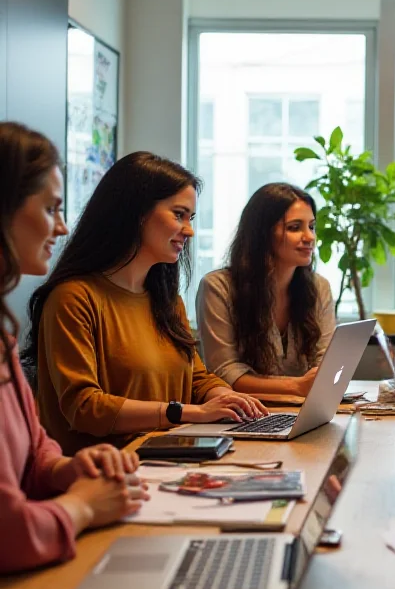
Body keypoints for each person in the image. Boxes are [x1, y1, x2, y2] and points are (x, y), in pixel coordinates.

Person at [23, 152, 264, 456]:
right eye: (179, 215)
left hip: (169, 460)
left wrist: (225, 398)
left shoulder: (166, 300)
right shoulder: (73, 297)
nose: (188, 230)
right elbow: (84, 407)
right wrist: (188, 413)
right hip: (104, 475)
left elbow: (197, 379)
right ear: (136, 214)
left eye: (191, 218)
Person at [0, 122, 149, 573]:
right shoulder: (73, 297)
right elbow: (8, 535)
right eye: (50, 209)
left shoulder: (3, 336)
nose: (61, 227)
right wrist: (84, 505)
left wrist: (68, 470)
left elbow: (35, 447)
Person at [196, 183, 334, 397]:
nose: (310, 237)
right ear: (262, 234)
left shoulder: (319, 287)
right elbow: (224, 372)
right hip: (243, 416)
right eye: (295, 227)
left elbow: (325, 363)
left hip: (304, 413)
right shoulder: (218, 287)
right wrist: (296, 387)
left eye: (312, 226)